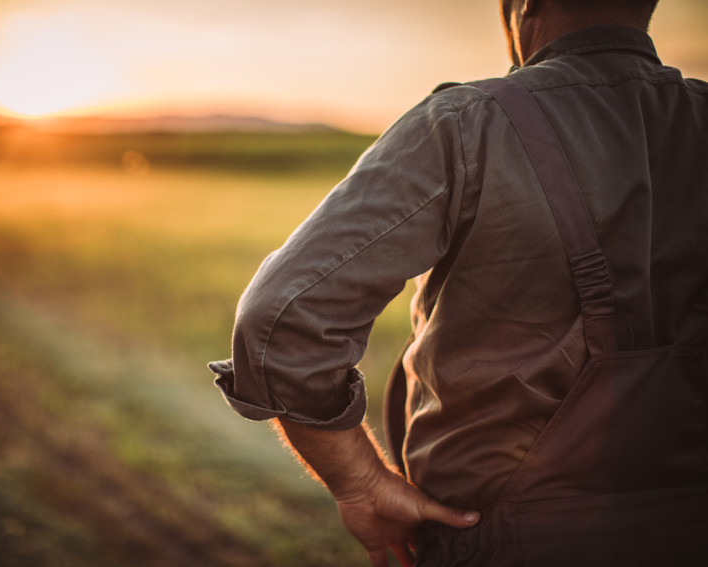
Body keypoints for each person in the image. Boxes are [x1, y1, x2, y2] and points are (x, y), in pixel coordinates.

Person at [209, 0, 708, 565]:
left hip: (507, 542)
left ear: (522, 5)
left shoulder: (469, 124)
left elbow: (281, 319)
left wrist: (360, 483)